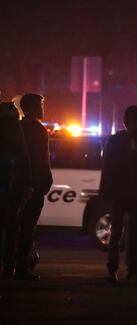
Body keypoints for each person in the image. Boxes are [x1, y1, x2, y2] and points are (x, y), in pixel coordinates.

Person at [100, 105, 137, 284]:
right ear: (127, 122)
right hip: (125, 192)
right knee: (120, 232)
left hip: (131, 192)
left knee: (126, 232)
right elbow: (108, 167)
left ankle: (120, 269)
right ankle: (115, 268)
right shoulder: (122, 140)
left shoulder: (121, 140)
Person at [15, 94, 53, 281]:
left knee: (17, 226)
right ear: (32, 107)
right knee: (28, 227)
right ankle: (22, 267)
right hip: (34, 186)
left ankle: (12, 264)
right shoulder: (39, 131)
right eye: (40, 104)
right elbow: (41, 161)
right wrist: (45, 182)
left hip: (18, 184)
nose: (42, 108)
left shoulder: (18, 128)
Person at [0, 102, 31, 279]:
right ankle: (8, 265)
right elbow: (22, 153)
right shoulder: (12, 123)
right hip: (8, 182)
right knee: (9, 226)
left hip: (7, 181)